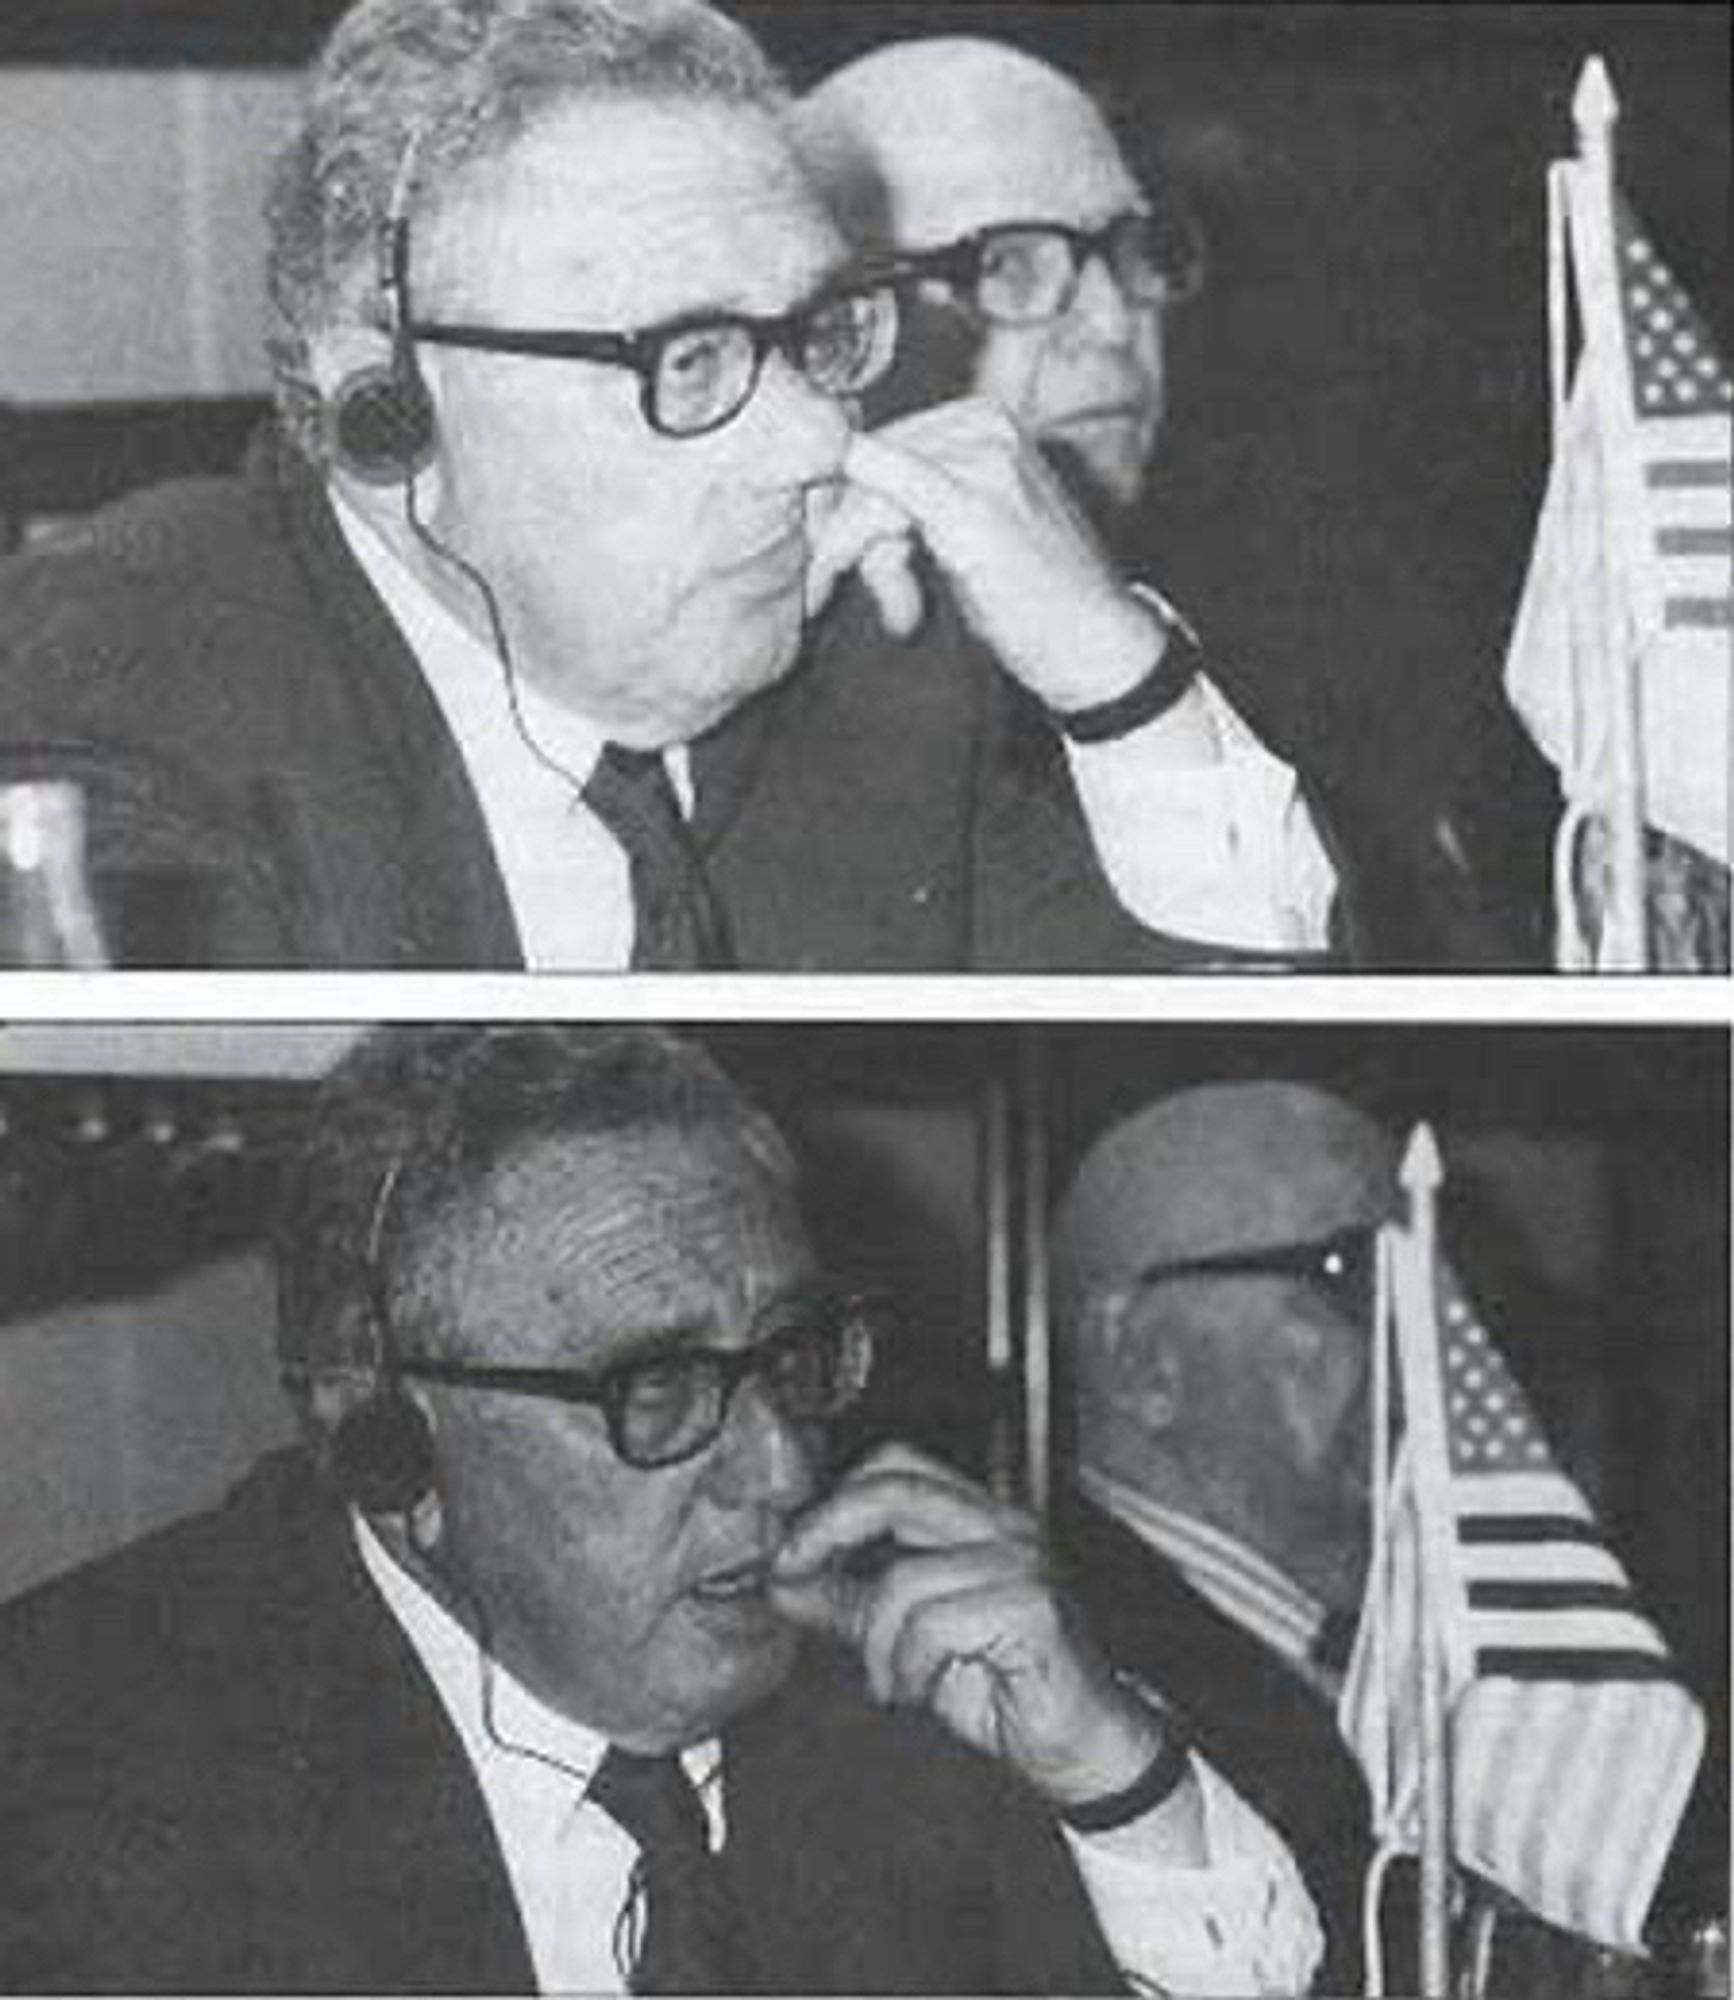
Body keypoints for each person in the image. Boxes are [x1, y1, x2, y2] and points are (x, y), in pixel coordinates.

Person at [0, 0, 1332, 971]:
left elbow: (1248, 1091)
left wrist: (1120, 681)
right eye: (687, 359)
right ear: (387, 402)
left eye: (818, 335)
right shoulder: (110, 681)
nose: (817, 443)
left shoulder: (884, 665)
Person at [0, 1025, 1324, 1994]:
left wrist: (1113, 1782)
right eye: (658, 1385)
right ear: (383, 1434)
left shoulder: (929, 1699)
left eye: (794, 1359)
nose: (783, 1471)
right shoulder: (76, 1774)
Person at [798, 34, 1545, 967]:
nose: (1113, 324)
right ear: (832, 331)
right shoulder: (749, 734)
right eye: (1010, 266)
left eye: (1133, 251)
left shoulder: (1290, 695)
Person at [1048, 1079, 1706, 1995]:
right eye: (1353, 1277)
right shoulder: (1057, 1686)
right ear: (1142, 1360)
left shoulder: (1432, 1660)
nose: (1436, 1346)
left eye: (1439, 1285)